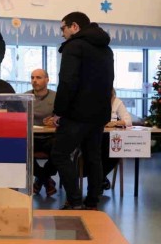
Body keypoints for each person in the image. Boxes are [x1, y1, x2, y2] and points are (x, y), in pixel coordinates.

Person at [48, 12, 114, 210]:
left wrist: (59, 111)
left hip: (76, 114)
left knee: (60, 154)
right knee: (93, 156)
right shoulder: (106, 49)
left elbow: (67, 82)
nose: (62, 34)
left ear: (74, 26)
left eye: (63, 28)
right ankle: (93, 201)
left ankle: (75, 201)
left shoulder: (74, 46)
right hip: (99, 114)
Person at [28, 68, 58, 196]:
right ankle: (45, 179)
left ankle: (40, 179)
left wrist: (56, 120)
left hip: (50, 137)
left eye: (38, 77)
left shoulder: (56, 97)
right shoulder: (26, 97)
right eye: (32, 77)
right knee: (19, 149)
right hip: (31, 137)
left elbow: (63, 117)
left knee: (61, 150)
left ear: (47, 80)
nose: (34, 81)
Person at [102, 88, 134, 189]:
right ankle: (99, 179)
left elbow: (128, 121)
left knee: (116, 151)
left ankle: (100, 177)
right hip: (94, 137)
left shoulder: (117, 102)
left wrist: (115, 123)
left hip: (110, 138)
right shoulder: (92, 101)